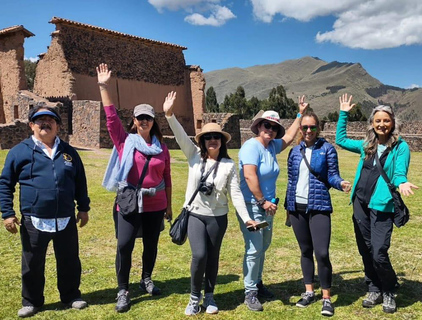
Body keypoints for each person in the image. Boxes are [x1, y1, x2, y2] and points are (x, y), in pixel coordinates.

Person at [163, 91, 257, 315]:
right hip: (195, 214)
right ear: (202, 141)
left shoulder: (229, 165)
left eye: (216, 136)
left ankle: (210, 296)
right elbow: (180, 136)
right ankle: (194, 298)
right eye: (207, 137)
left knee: (213, 257)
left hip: (218, 218)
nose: (212, 139)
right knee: (200, 255)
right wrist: (169, 115)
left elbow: (235, 194)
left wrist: (247, 218)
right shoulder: (194, 156)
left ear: (221, 140)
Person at [0, 103, 90, 318]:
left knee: (69, 260)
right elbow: (5, 183)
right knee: (32, 263)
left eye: (50, 120)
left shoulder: (69, 153)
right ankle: (31, 301)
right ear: (31, 125)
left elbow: (80, 182)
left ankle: (71, 296)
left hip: (66, 219)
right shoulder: (19, 151)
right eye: (40, 120)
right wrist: (8, 213)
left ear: (57, 126)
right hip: (34, 220)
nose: (45, 123)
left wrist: (83, 208)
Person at [97, 63, 172, 313]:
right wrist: (103, 86)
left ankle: (146, 279)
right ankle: (123, 289)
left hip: (155, 204)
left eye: (148, 118)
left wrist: (169, 206)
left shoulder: (162, 148)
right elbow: (110, 120)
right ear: (134, 120)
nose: (144, 121)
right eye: (140, 117)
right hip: (128, 202)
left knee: (151, 245)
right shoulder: (125, 142)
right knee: (124, 245)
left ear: (153, 121)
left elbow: (168, 177)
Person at [335, 94, 418, 314]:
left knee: (379, 250)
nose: (382, 124)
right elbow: (341, 140)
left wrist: (403, 183)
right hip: (360, 202)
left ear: (393, 123)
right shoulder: (366, 145)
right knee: (365, 248)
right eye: (378, 120)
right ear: (372, 123)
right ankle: (373, 287)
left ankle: (389, 289)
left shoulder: (401, 147)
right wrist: (343, 113)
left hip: (382, 205)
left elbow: (399, 173)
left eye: (386, 120)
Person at [238, 97, 307, 312]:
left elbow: (288, 138)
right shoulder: (251, 147)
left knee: (263, 246)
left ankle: (257, 283)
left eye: (274, 127)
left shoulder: (271, 146)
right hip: (253, 206)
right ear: (258, 126)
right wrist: (262, 201)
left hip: (268, 207)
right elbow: (250, 177)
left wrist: (300, 115)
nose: (270, 130)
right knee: (254, 247)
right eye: (267, 125)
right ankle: (250, 291)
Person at [285, 107, 351, 316]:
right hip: (297, 208)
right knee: (305, 251)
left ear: (318, 128)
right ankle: (308, 291)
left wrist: (339, 183)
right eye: (305, 127)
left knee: (321, 253)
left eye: (312, 127)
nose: (308, 130)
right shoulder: (294, 152)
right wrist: (289, 207)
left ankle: (326, 297)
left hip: (319, 206)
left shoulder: (327, 149)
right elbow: (291, 181)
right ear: (300, 129)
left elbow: (332, 175)